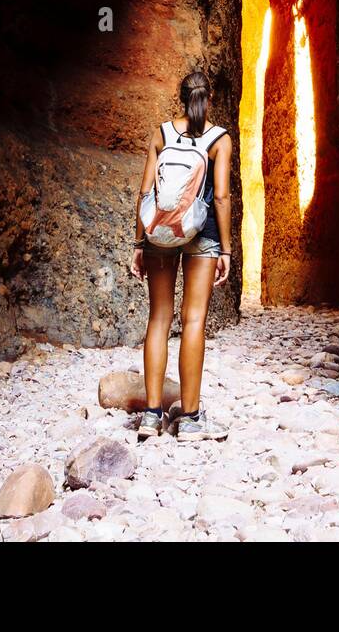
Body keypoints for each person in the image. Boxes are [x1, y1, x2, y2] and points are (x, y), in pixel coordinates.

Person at [130, 71, 232, 440]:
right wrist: (226, 248)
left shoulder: (162, 133)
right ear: (210, 97)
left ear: (180, 97)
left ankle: (151, 415)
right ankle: (189, 419)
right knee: (193, 321)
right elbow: (220, 197)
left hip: (160, 232)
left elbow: (144, 192)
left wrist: (139, 243)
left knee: (159, 317)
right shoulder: (219, 139)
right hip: (201, 235)